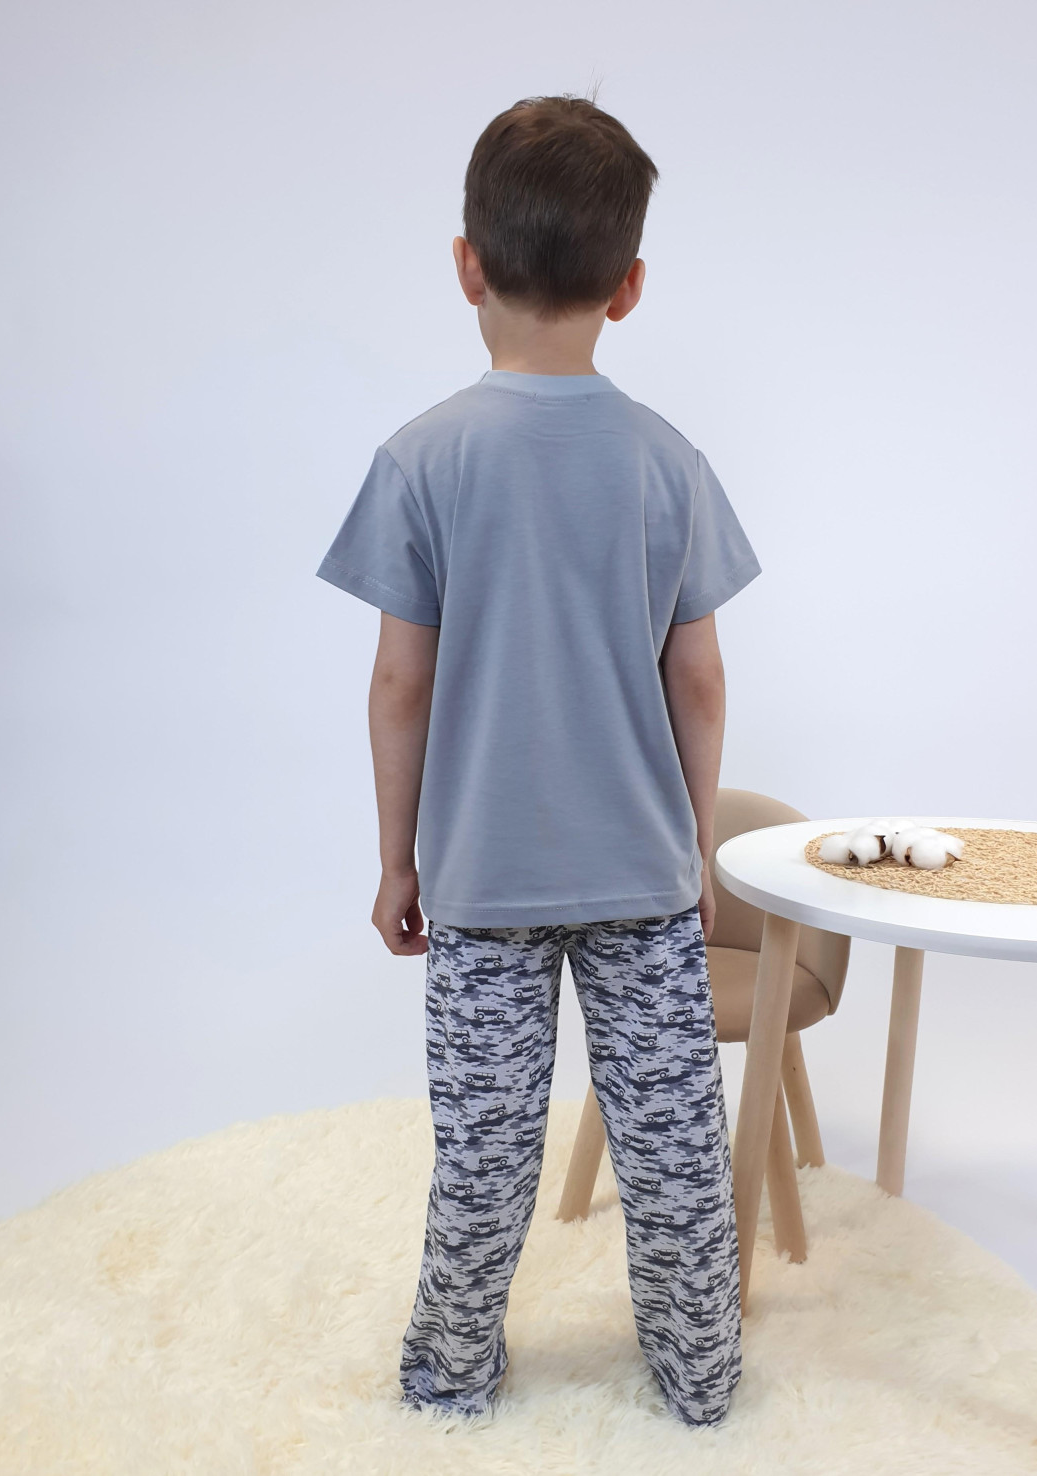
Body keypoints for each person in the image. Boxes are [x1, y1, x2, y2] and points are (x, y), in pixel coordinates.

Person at [315, 92, 762, 1427]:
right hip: (640, 874)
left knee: (483, 1158)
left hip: (481, 880)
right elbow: (699, 678)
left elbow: (400, 683)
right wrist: (691, 846)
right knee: (675, 1159)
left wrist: (398, 861)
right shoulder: (670, 463)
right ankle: (702, 1380)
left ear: (467, 265)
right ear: (628, 286)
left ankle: (450, 1375)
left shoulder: (420, 460)